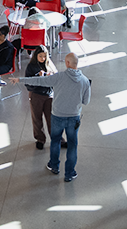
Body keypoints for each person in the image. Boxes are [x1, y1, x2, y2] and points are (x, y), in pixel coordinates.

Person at [13, 53, 91, 182]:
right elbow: (86, 101)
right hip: (74, 118)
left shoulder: (58, 77)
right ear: (76, 64)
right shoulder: (85, 81)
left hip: (57, 116)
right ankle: (70, 173)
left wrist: (20, 79)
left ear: (67, 63)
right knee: (72, 145)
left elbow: (38, 81)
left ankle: (54, 166)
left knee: (55, 141)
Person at [25, 45, 59, 150]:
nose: (43, 59)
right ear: (36, 56)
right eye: (40, 56)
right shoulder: (31, 67)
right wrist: (39, 78)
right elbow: (28, 84)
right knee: (37, 118)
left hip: (49, 95)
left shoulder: (49, 64)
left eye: (45, 56)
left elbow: (57, 78)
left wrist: (51, 76)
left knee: (52, 119)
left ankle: (57, 139)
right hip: (36, 95)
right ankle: (40, 139)